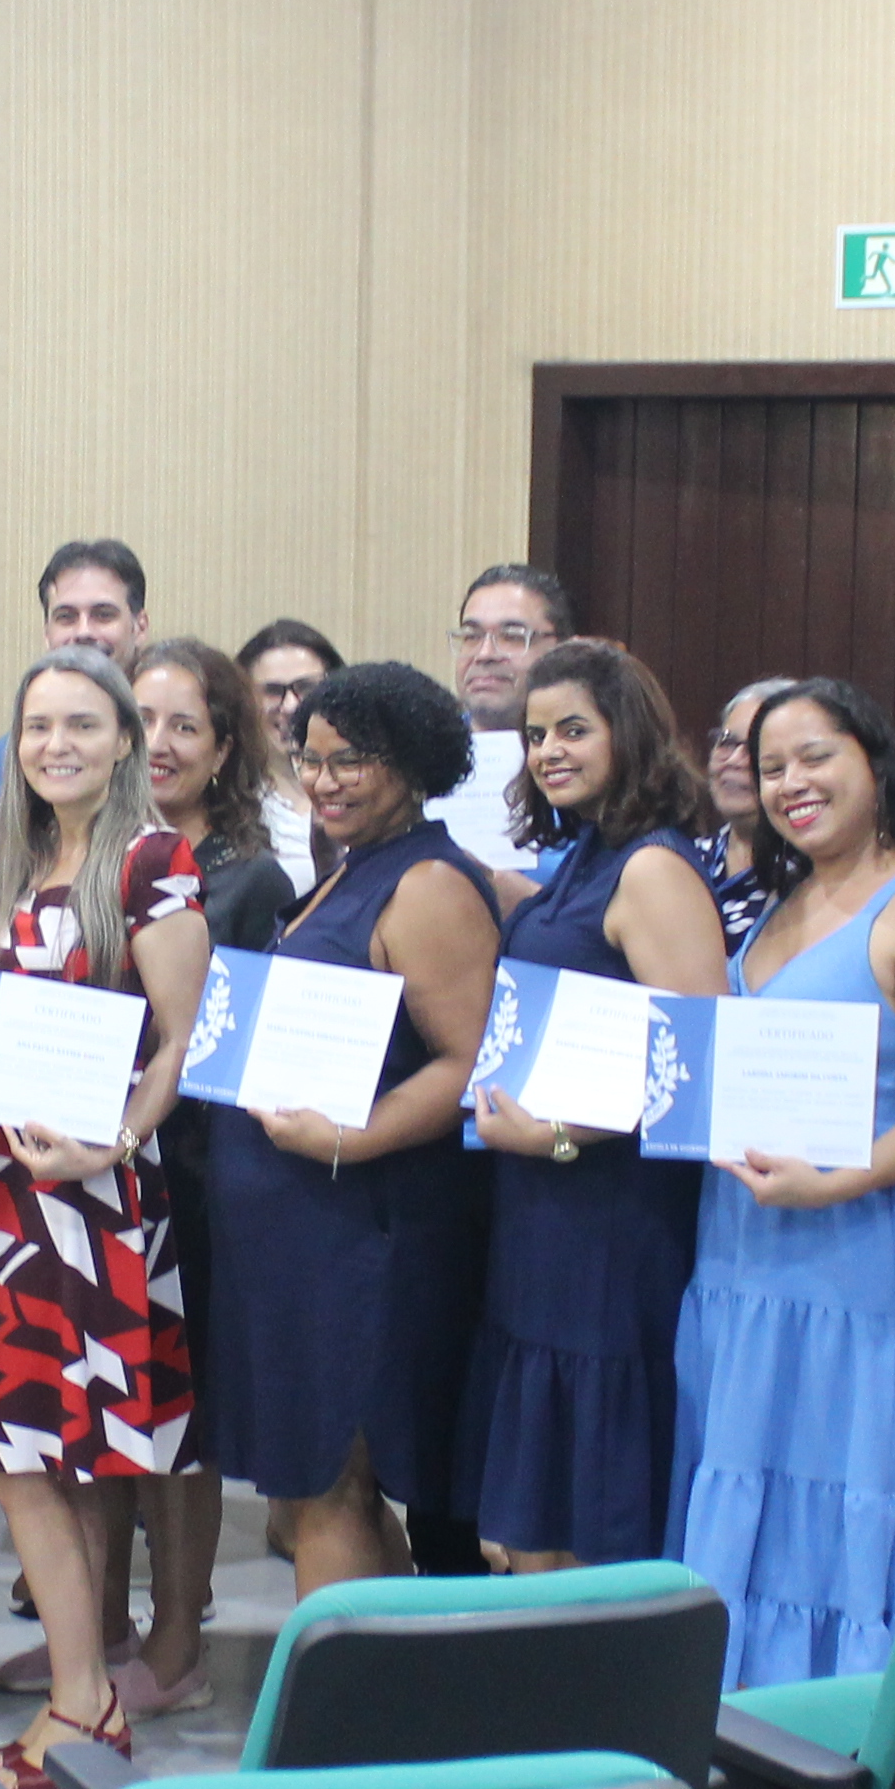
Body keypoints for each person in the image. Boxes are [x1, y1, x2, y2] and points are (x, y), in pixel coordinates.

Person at [668, 680, 895, 1692]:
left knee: (852, 1496)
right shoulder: (780, 901)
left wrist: (833, 1185)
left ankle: (841, 1728)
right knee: (744, 1489)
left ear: (874, 760)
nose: (792, 783)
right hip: (742, 1253)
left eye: (816, 757)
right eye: (771, 769)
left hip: (860, 1261)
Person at [0, 649, 211, 1789]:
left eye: (82, 725)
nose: (56, 744)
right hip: (6, 1195)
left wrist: (116, 1142)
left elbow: (186, 1040)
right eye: (37, 724)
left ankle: (85, 1702)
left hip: (90, 1202)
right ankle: (86, 1686)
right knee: (50, 1454)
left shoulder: (154, 862)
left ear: (123, 743)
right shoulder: (26, 860)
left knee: (36, 1455)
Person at [200, 662, 497, 1608]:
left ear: (412, 764)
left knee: (334, 1479)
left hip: (363, 1230)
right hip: (301, 1233)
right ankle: (385, 1701)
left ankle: (333, 1734)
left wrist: (346, 1141)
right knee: (318, 1484)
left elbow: (466, 1062)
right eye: (311, 760)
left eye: (352, 761)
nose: (324, 781)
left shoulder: (426, 886)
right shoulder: (348, 871)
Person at [456, 640, 723, 1567]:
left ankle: (590, 1698)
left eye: (574, 729)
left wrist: (562, 1137)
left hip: (607, 1216)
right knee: (523, 1526)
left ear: (630, 734)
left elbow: (698, 1062)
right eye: (535, 735)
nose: (549, 751)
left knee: (581, 1517)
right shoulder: (586, 854)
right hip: (539, 1205)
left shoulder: (651, 868)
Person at [118, 637, 291, 1689]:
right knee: (107, 1411)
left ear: (225, 749)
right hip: (85, 1175)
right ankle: (100, 1628)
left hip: (190, 1170)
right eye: (142, 719)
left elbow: (239, 1038)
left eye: (187, 724)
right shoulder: (93, 858)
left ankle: (178, 1632)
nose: (160, 744)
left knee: (179, 1421)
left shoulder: (249, 879)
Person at [0, 544, 152, 882]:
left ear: (139, 626)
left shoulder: (169, 751)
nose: (83, 631)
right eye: (66, 617)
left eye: (103, 615)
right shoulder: (5, 759)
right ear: (47, 633)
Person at [433, 565, 564, 875]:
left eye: (512, 637)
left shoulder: (590, 759)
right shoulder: (419, 757)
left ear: (563, 648)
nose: (485, 654)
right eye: (471, 636)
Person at [237, 620, 341, 898]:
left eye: (306, 688)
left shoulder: (368, 790)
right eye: (272, 691)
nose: (292, 706)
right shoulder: (229, 802)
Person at [698, 678, 779, 954]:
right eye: (727, 742)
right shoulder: (687, 858)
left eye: (756, 747)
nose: (734, 760)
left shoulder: (809, 878)